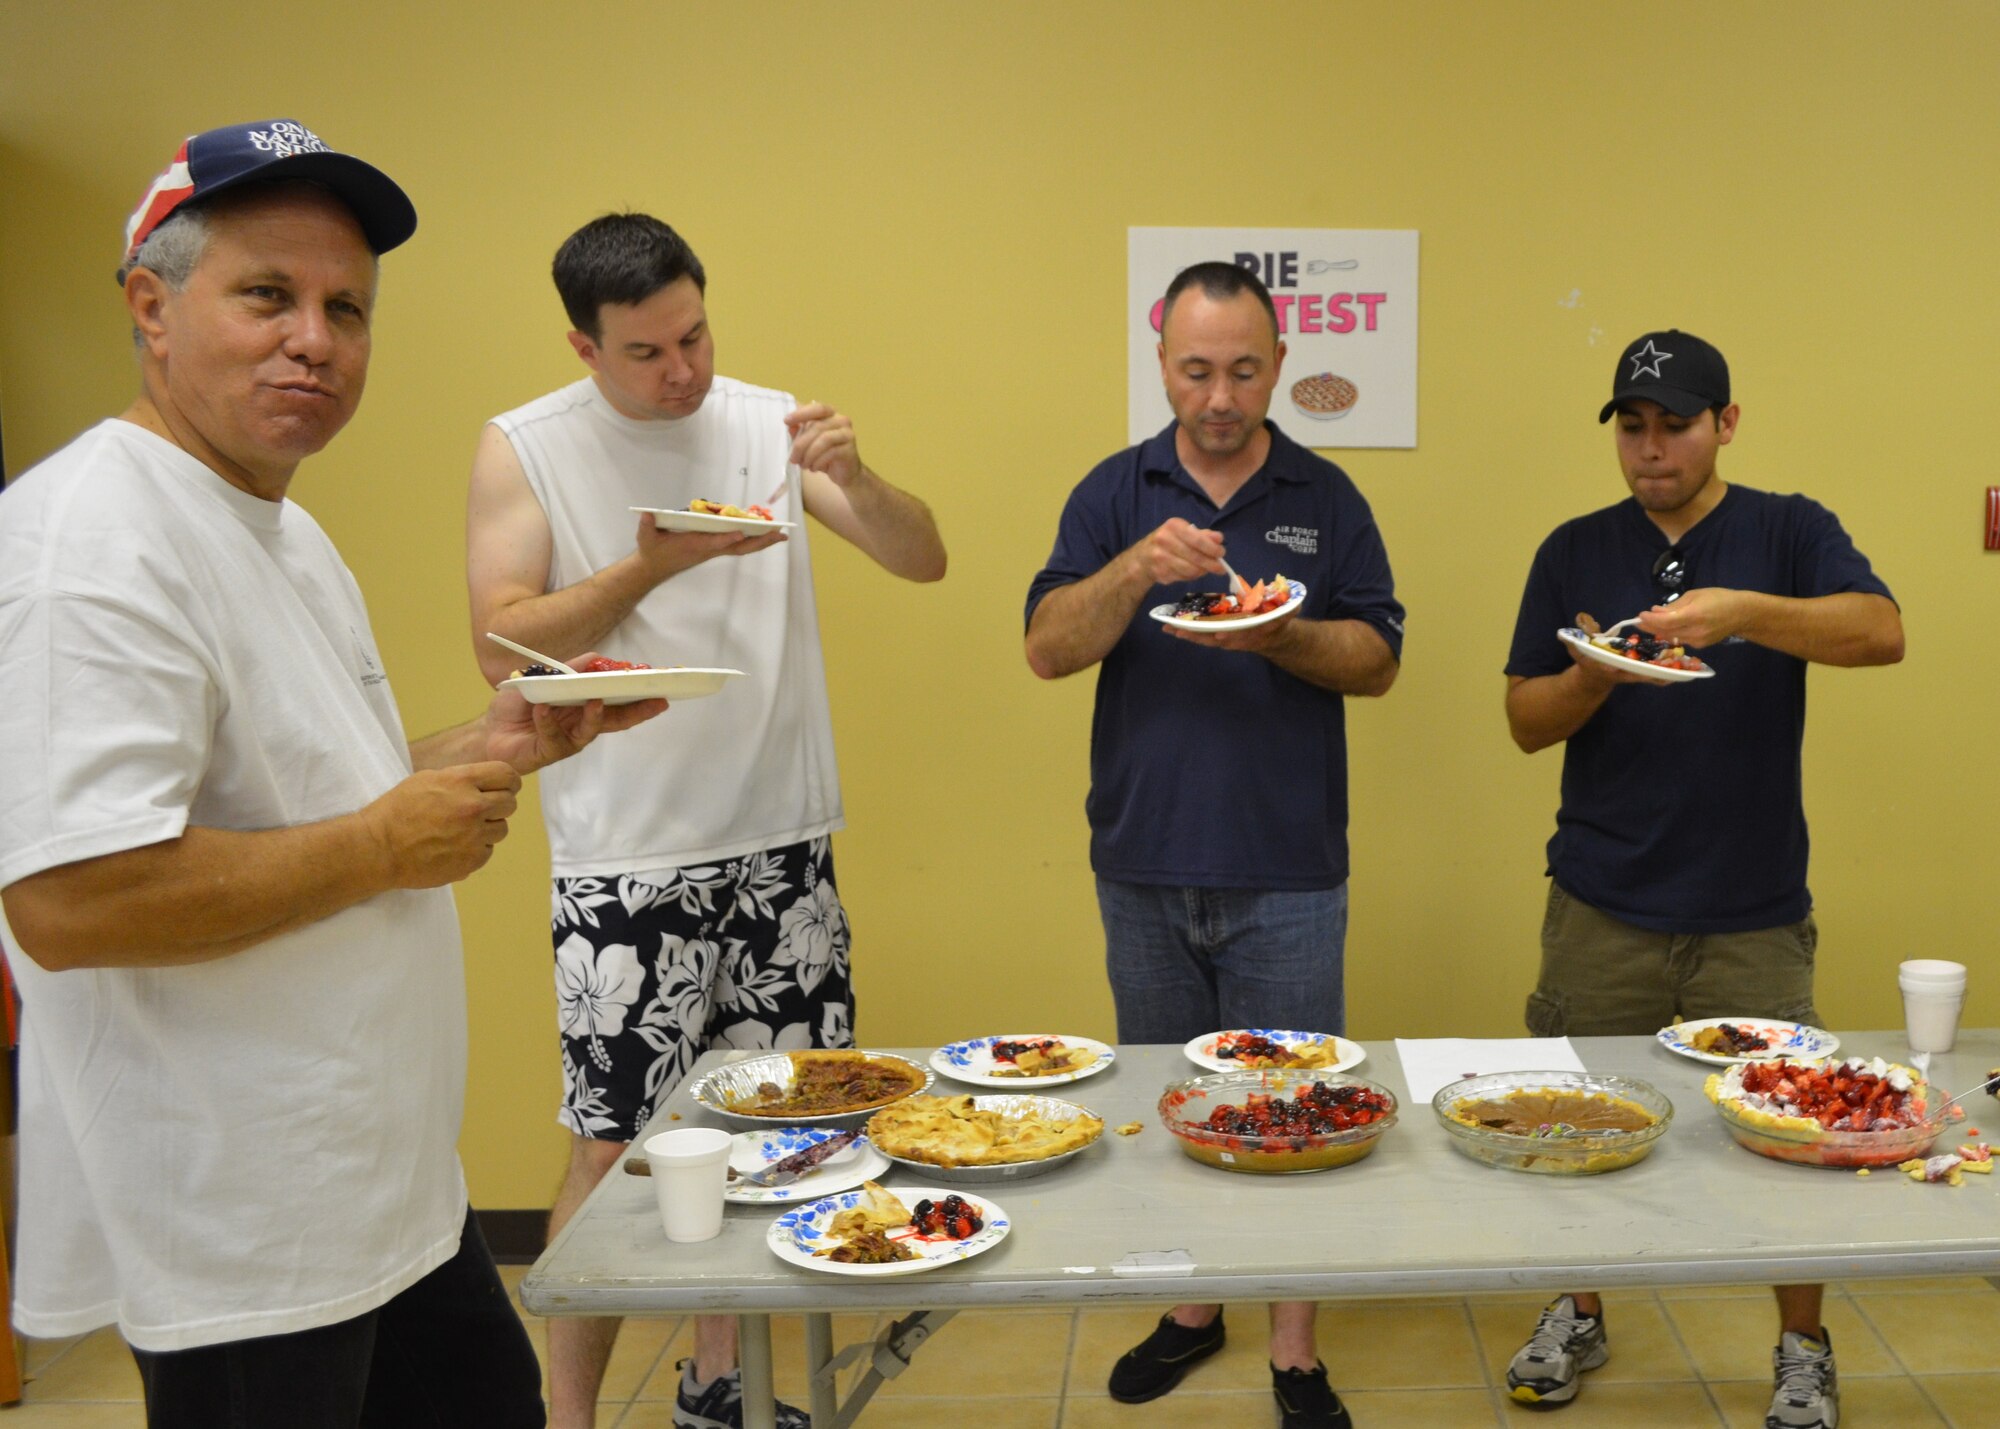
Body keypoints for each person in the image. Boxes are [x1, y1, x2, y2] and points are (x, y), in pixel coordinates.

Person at [0, 121, 664, 1429]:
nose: (316, 337)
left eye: (346, 306)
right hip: (246, 1235)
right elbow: (67, 902)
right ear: (151, 305)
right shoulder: (89, 548)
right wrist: (383, 845)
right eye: (267, 295)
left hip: (385, 1200)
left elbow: (307, 788)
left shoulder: (281, 523)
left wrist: (492, 742)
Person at [465, 212, 946, 1429]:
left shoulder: (765, 423)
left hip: (784, 845)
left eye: (694, 334)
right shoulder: (526, 446)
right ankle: (562, 1417)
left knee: (783, 1134)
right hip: (628, 859)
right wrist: (647, 567)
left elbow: (922, 556)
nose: (681, 371)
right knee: (612, 1149)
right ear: (584, 345)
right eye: (646, 352)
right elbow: (498, 641)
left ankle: (715, 1386)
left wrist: (857, 471)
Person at [1023, 261, 1404, 1429]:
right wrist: (1136, 565)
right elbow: (1045, 646)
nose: (1220, 395)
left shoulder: (1325, 496)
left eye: (1243, 369)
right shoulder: (1111, 491)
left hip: (1287, 865)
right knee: (1169, 1102)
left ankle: (1292, 1346)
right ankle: (1191, 1308)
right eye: (1196, 370)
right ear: (1162, 364)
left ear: (1279, 363)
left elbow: (1378, 661)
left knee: (1292, 1111)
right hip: (1140, 860)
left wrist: (1278, 636)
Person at [1501, 329, 1903, 1429]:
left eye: (1673, 423)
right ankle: (1578, 1308)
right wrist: (1593, 675)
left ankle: (1800, 1347)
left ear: (1724, 423)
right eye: (1630, 426)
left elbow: (1879, 631)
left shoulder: (1786, 528)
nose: (1648, 447)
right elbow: (1523, 722)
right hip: (1599, 901)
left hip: (1752, 908)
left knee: (1791, 1142)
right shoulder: (1574, 547)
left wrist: (1740, 611)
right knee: (1574, 1123)